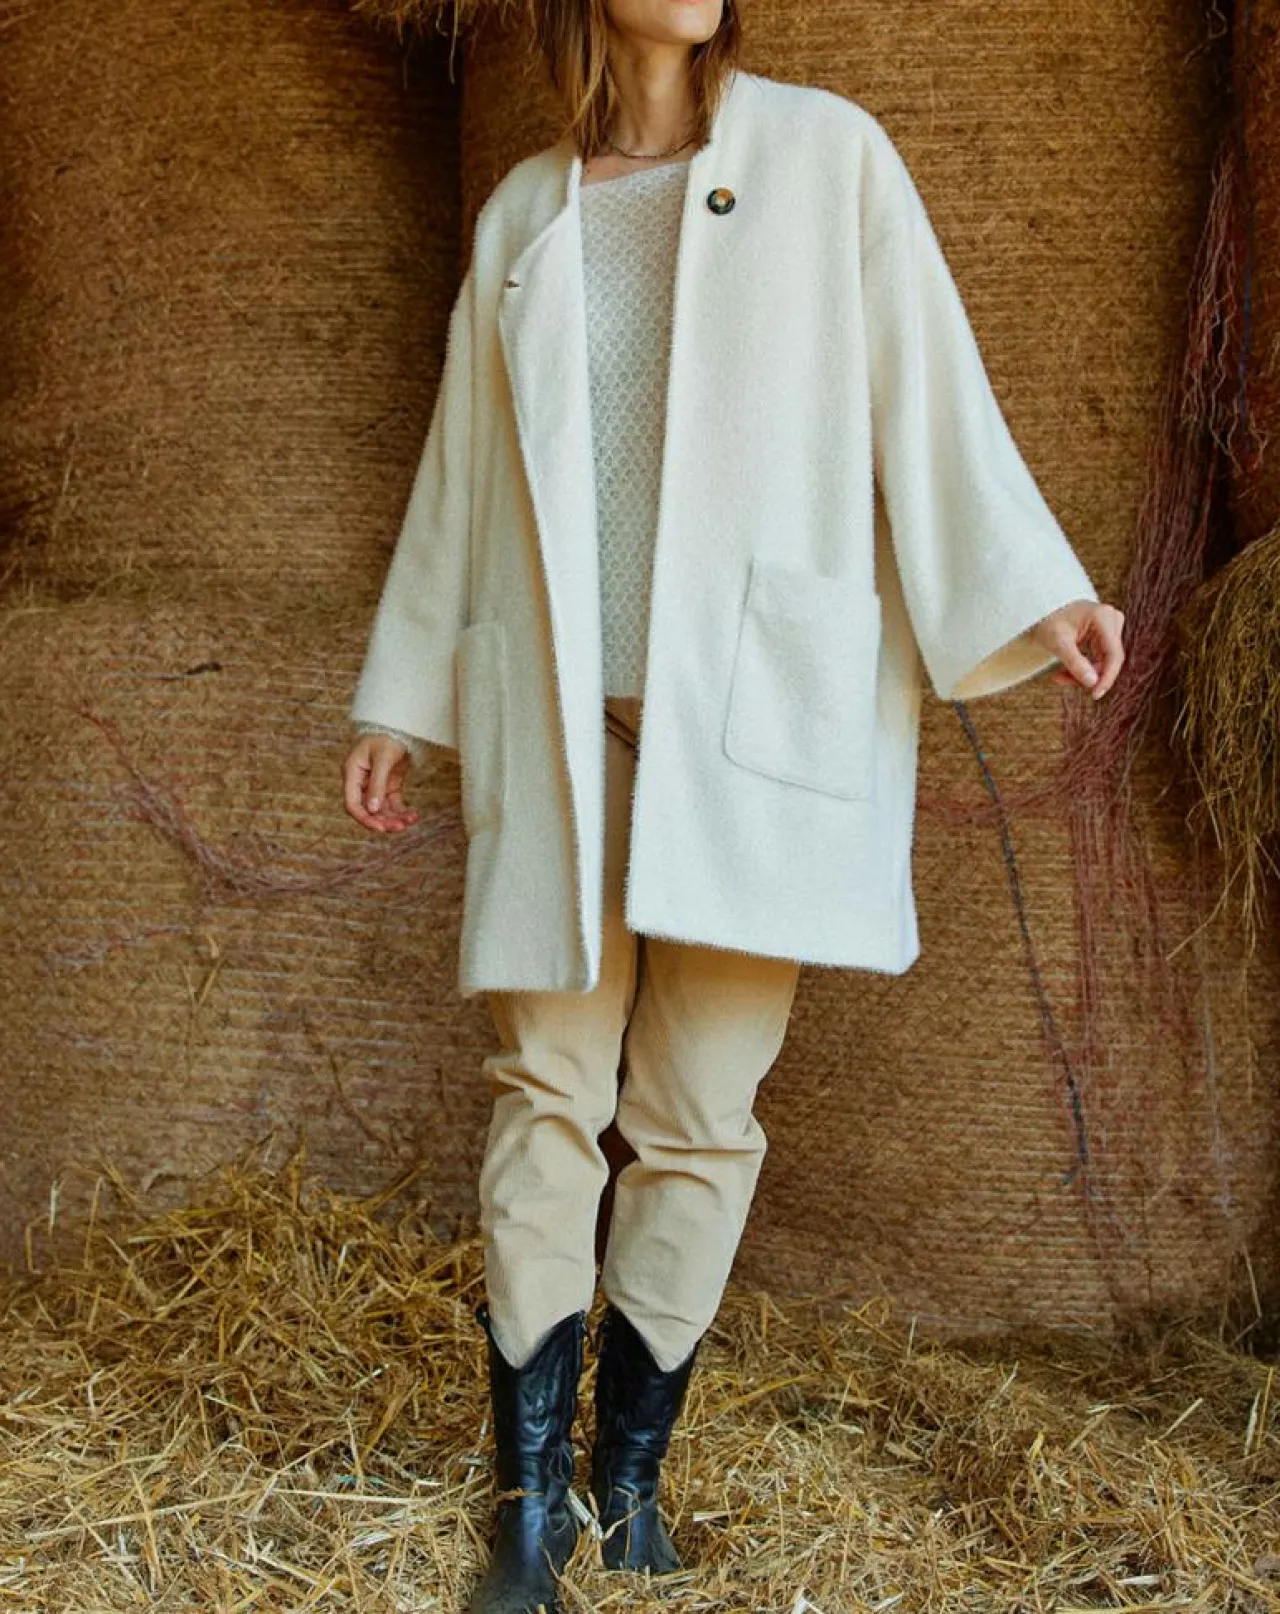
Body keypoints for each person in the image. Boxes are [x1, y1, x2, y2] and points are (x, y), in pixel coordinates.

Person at [341, 2, 1127, 1609]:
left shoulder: (830, 157)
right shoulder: (525, 212)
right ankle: (528, 1517)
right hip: (564, 720)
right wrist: (400, 699)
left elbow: (928, 387)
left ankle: (628, 1486)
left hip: (749, 721)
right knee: (546, 1089)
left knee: (701, 1108)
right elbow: (461, 470)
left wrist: (1037, 587)